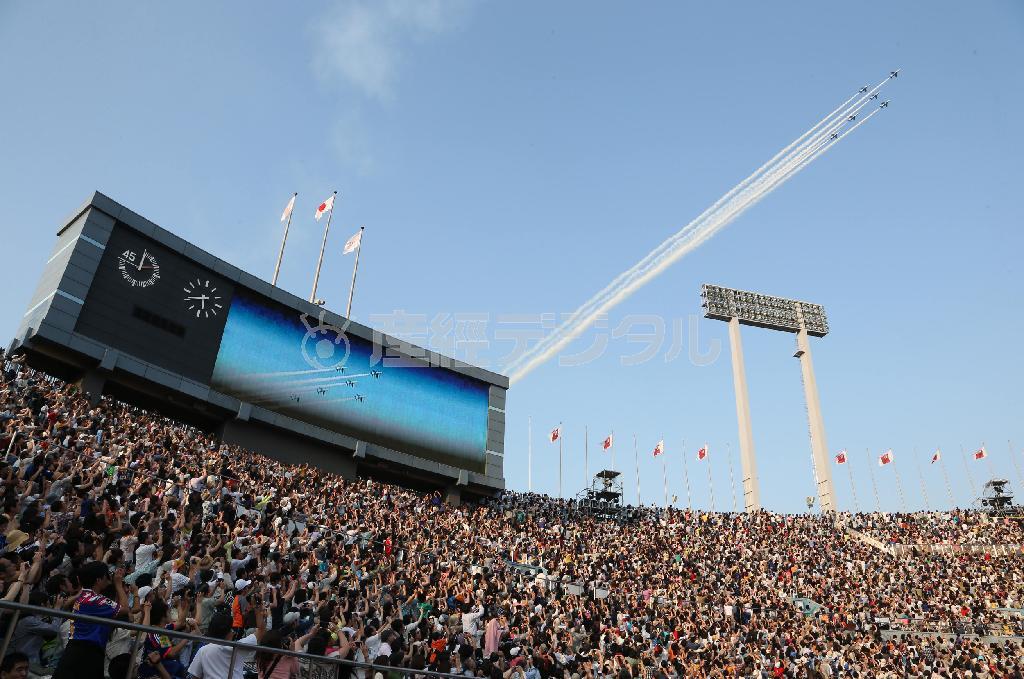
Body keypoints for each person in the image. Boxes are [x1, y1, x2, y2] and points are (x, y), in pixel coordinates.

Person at [51, 561, 127, 679]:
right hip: (88, 653)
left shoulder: (82, 597)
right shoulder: (96, 599)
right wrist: (118, 585)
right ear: (98, 580)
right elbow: (125, 609)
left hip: (74, 651)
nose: (108, 578)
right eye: (106, 575)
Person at [186, 601, 266, 679]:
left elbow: (195, 676)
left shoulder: (203, 651)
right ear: (229, 633)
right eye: (231, 629)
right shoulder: (238, 647)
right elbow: (261, 631)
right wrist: (257, 610)